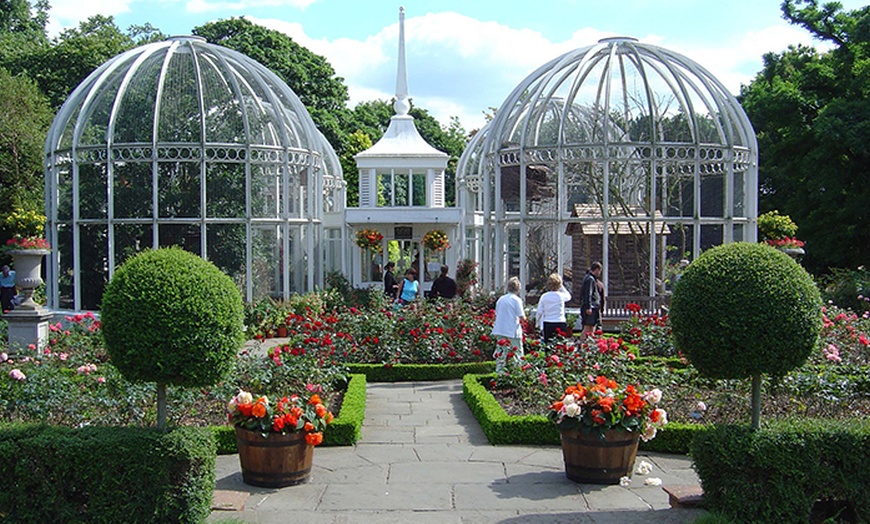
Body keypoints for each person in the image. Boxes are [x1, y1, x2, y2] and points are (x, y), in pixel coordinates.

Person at [491, 277, 526, 374]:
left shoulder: (501, 299)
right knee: (517, 352)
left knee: (501, 351)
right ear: (518, 288)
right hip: (512, 330)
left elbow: (497, 313)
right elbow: (522, 316)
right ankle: (518, 371)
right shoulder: (517, 300)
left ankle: (500, 372)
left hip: (500, 329)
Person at [535, 273, 572, 343]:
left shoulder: (544, 296)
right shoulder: (561, 296)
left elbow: (539, 312)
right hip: (560, 322)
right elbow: (569, 296)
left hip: (548, 322)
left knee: (548, 346)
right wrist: (561, 286)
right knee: (560, 346)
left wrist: (537, 323)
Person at [580, 261, 603, 339]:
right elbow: (588, 293)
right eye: (599, 271)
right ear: (596, 269)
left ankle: (589, 344)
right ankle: (581, 344)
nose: (599, 273)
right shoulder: (590, 279)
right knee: (587, 328)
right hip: (591, 307)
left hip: (594, 307)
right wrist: (588, 306)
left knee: (592, 328)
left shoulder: (589, 278)